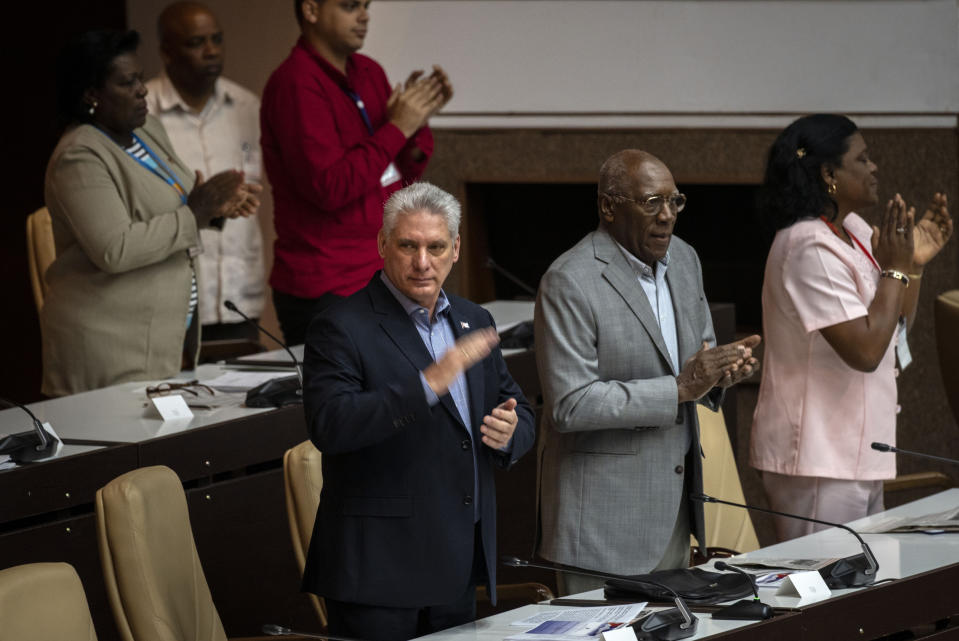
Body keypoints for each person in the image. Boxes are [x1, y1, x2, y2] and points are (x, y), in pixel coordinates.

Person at [301, 182, 535, 640]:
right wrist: (428, 383)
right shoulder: (341, 326)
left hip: (459, 559)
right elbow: (331, 425)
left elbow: (520, 409)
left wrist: (511, 432)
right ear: (382, 244)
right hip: (380, 572)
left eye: (435, 247)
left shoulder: (475, 321)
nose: (422, 262)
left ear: (456, 249)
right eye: (408, 245)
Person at [535, 149, 760, 595]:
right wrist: (678, 389)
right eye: (650, 202)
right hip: (601, 526)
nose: (667, 217)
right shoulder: (570, 279)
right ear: (608, 206)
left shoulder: (685, 259)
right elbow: (569, 403)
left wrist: (722, 372)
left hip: (674, 514)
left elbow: (700, 355)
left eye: (675, 202)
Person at [749, 114, 953, 541]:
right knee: (830, 594)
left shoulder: (854, 232)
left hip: (858, 449)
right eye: (863, 159)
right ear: (828, 174)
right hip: (817, 457)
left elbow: (893, 330)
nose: (874, 167)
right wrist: (895, 269)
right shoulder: (807, 246)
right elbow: (864, 351)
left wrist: (911, 266)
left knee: (862, 591)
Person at [41, 29, 259, 397]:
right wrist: (197, 211)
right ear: (92, 95)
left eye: (140, 78)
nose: (142, 90)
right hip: (109, 346)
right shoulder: (79, 155)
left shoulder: (147, 131)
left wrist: (217, 207)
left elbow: (177, 203)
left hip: (162, 343)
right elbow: (116, 247)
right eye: (127, 83)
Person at [261, 0, 453, 345]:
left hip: (381, 272)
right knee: (348, 397)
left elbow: (399, 174)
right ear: (311, 10)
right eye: (350, 6)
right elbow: (328, 188)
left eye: (366, 6)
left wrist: (413, 123)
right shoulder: (295, 83)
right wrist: (397, 127)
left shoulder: (368, 72)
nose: (364, 16)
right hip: (328, 282)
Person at [146, 1, 266, 341]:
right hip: (172, 300)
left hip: (240, 295)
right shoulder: (144, 113)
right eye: (196, 43)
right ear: (167, 52)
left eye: (216, 39)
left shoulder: (247, 107)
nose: (211, 51)